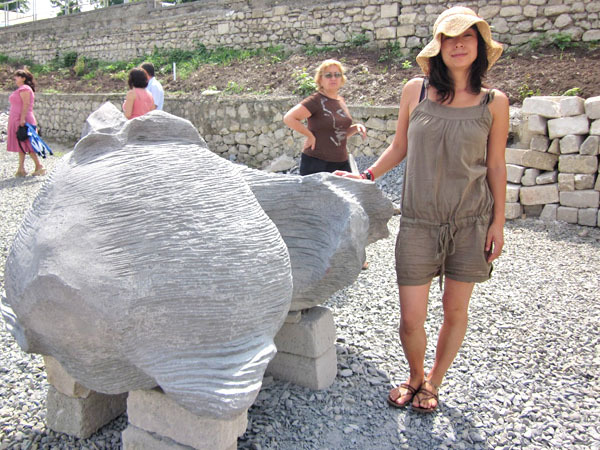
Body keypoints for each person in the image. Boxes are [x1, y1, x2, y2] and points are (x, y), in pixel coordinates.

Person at [335, 6, 509, 412]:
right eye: (450, 38)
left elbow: (496, 166)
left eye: (468, 37)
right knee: (411, 318)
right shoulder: (415, 90)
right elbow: (400, 146)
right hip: (418, 222)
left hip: (471, 221)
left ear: (480, 47)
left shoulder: (494, 102)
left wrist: (498, 223)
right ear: (438, 47)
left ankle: (433, 382)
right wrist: (367, 176)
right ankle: (415, 375)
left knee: (455, 310)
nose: (459, 45)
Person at [283, 59, 367, 176]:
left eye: (337, 75)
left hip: (341, 163)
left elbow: (338, 134)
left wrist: (356, 128)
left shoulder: (340, 101)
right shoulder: (315, 100)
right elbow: (289, 118)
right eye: (328, 75)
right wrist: (309, 135)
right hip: (316, 162)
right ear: (320, 80)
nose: (333, 78)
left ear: (342, 79)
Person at [7, 69, 46, 177]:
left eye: (17, 76)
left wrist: (23, 119)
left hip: (23, 119)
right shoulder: (20, 89)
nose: (15, 78)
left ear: (23, 78)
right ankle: (21, 169)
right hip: (17, 119)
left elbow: (26, 104)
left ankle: (39, 166)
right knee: (21, 143)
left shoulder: (25, 89)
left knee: (28, 143)